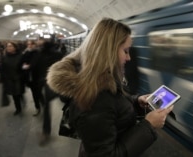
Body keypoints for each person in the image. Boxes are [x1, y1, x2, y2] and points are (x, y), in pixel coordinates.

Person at [46, 18, 174, 157]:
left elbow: (113, 109)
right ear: (109, 52)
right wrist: (149, 125)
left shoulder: (102, 81)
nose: (129, 58)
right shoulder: (94, 97)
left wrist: (136, 101)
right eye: (125, 51)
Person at [0, 41, 25, 115]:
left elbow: (23, 66)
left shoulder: (20, 56)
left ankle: (21, 100)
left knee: (18, 93)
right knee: (14, 94)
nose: (9, 48)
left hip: (18, 78)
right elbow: (3, 68)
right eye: (7, 46)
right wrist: (3, 78)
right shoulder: (4, 57)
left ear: (15, 47)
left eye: (10, 46)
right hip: (9, 78)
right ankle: (18, 108)